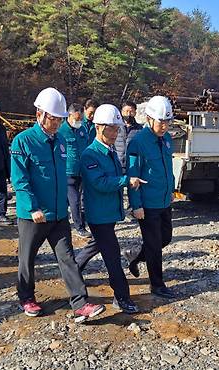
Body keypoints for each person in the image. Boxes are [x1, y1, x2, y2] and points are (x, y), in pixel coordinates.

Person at [10, 87, 104, 321]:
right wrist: (32, 207)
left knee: (67, 258)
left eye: (60, 119)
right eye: (54, 118)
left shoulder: (61, 140)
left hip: (59, 213)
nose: (57, 123)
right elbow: (19, 179)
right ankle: (27, 298)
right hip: (33, 215)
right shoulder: (23, 142)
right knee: (27, 257)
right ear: (39, 114)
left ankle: (80, 303)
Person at [77, 104, 146, 314]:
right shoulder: (90, 154)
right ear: (98, 127)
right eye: (111, 129)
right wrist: (126, 180)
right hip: (98, 214)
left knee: (96, 245)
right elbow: (100, 182)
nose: (115, 133)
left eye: (116, 129)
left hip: (108, 212)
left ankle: (71, 269)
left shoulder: (110, 151)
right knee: (113, 256)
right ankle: (121, 297)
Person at [124, 96, 177, 299]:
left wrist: (171, 190)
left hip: (164, 200)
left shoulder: (167, 140)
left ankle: (135, 256)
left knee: (166, 238)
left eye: (167, 121)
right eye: (160, 121)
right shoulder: (137, 142)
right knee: (155, 245)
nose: (164, 126)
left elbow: (167, 167)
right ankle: (157, 284)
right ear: (149, 118)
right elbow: (132, 175)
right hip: (147, 204)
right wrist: (136, 205)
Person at [57, 103, 91, 237]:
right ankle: (79, 227)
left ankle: (74, 221)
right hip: (68, 172)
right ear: (69, 116)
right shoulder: (61, 131)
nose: (79, 121)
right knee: (74, 200)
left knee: (82, 199)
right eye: (77, 119)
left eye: (80, 118)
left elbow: (87, 146)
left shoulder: (82, 129)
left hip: (82, 170)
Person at [114, 101, 142, 172]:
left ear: (135, 113)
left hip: (132, 166)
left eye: (131, 111)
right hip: (117, 165)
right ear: (122, 112)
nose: (128, 114)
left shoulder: (140, 130)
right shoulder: (115, 127)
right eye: (126, 111)